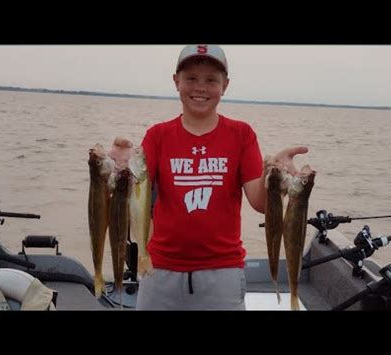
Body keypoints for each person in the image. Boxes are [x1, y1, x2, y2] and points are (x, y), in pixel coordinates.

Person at [108, 45, 308, 310]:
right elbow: (136, 190)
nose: (200, 87)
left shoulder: (241, 134)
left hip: (222, 271)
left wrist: (274, 179)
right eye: (191, 78)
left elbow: (261, 204)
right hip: (159, 269)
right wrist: (120, 169)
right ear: (176, 81)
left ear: (225, 85)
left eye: (211, 80)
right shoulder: (158, 135)